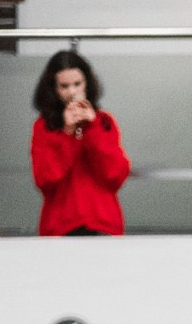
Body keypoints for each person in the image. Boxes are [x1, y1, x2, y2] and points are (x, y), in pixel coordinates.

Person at [31, 50, 130, 237]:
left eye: (77, 84)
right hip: (60, 227)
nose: (72, 92)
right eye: (64, 86)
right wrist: (67, 133)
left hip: (103, 224)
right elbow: (45, 179)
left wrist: (92, 128)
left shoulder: (103, 121)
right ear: (53, 89)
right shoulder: (44, 126)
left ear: (87, 83)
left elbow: (115, 175)